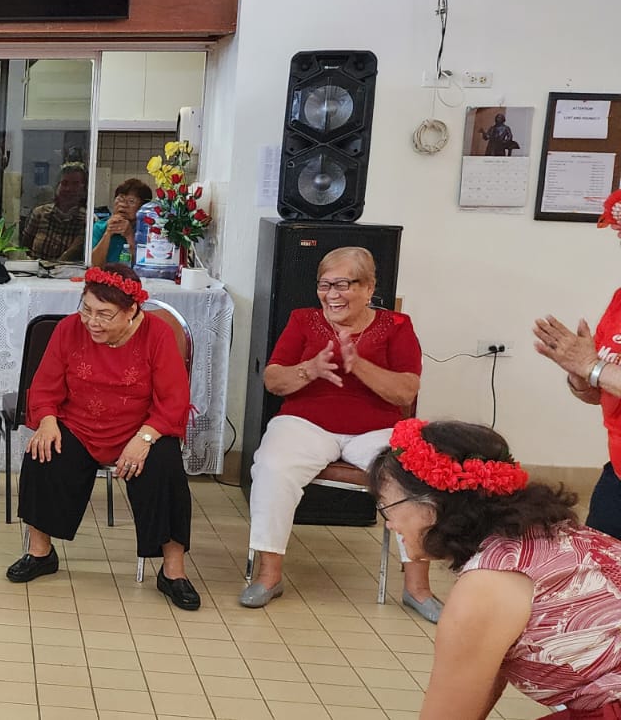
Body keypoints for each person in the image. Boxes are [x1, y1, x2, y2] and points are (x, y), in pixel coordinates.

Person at [370, 419, 621, 719]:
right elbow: (482, 676)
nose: (389, 523)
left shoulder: (486, 588)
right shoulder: (548, 533)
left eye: (388, 507)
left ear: (430, 507)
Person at [242, 246, 442, 620]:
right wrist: (309, 370)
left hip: (376, 429)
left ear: (369, 288)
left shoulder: (398, 327)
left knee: (413, 471)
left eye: (343, 284)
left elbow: (405, 392)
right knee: (272, 466)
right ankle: (268, 576)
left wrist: (359, 365)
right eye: (324, 285)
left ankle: (417, 587)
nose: (332, 294)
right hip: (305, 423)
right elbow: (273, 380)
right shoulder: (302, 320)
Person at [4, 264, 200, 609]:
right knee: (43, 451)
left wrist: (145, 438)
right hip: (78, 424)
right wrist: (47, 421)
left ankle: (173, 571)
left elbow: (174, 399)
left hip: (140, 429)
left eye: (105, 315)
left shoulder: (157, 335)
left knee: (165, 468)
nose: (92, 322)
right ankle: (40, 552)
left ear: (132, 311)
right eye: (87, 310)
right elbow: (44, 387)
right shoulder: (67, 330)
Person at [531, 188, 621, 540]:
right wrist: (579, 376)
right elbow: (599, 392)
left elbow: (600, 369)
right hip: (616, 470)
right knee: (600, 575)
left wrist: (592, 367)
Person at [20, 162, 90, 262]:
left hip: (68, 276)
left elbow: (73, 253)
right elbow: (24, 248)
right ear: (57, 186)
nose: (68, 189)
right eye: (64, 183)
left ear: (84, 190)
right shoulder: (39, 213)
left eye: (75, 184)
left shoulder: (87, 220)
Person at [89, 178, 152, 267]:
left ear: (143, 206)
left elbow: (145, 265)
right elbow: (93, 265)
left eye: (131, 201)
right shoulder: (99, 227)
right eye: (120, 199)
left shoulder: (148, 230)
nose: (123, 205)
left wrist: (129, 236)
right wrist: (108, 233)